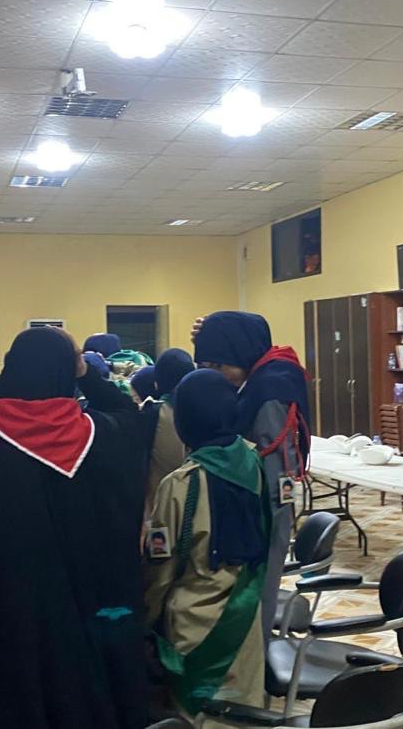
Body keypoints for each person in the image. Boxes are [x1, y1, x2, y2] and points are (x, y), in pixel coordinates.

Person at [0, 327, 147, 729]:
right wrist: (86, 372)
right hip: (93, 605)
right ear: (69, 371)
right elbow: (128, 413)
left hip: (15, 617)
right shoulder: (103, 437)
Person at [145, 369, 270, 726]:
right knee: (241, 713)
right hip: (246, 620)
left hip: (194, 626)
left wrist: (145, 616)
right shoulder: (254, 462)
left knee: (197, 713)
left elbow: (161, 568)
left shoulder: (181, 484)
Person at [191, 311, 310, 650]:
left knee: (258, 591)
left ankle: (254, 662)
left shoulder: (271, 388)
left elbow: (274, 465)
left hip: (265, 507)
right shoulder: (261, 374)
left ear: (240, 354)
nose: (214, 375)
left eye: (218, 366)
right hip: (257, 500)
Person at [142, 348, 196, 516]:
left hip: (159, 509)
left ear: (158, 382)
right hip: (198, 506)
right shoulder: (205, 410)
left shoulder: (152, 413)